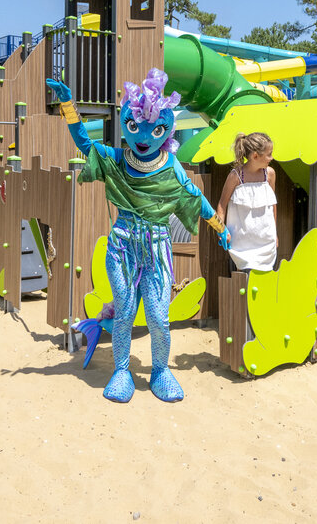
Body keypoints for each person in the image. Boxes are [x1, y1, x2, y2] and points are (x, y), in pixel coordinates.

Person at [47, 70, 228, 403]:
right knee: (126, 313)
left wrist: (220, 226)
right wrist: (69, 105)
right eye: (135, 126)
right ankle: (120, 370)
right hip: (122, 246)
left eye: (154, 128)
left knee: (159, 317)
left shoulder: (171, 166)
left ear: (166, 130)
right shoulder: (117, 160)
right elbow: (86, 144)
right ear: (126, 124)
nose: (144, 136)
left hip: (157, 246)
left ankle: (160, 370)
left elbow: (194, 198)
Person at [215, 132, 278, 272]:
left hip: (266, 242)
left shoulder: (270, 174)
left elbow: (272, 205)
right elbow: (221, 205)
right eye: (269, 154)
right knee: (244, 283)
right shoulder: (236, 176)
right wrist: (221, 231)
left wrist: (275, 234)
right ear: (255, 156)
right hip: (242, 245)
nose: (271, 158)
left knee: (265, 282)